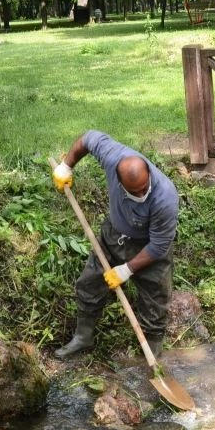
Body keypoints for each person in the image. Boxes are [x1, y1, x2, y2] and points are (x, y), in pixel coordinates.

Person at [51, 131, 179, 359]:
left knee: (155, 299)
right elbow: (88, 138)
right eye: (135, 191)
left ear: (149, 173)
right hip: (115, 235)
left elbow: (159, 246)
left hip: (148, 247)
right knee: (89, 283)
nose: (142, 193)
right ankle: (83, 337)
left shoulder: (165, 197)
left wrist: (127, 269)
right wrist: (66, 166)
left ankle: (152, 352)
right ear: (120, 183)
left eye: (144, 187)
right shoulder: (113, 157)